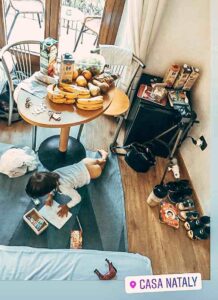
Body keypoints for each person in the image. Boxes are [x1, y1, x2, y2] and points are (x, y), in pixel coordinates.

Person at [25, 150, 108, 217]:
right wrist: (51, 196)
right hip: (84, 163)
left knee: (101, 167)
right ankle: (102, 158)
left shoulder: (64, 188)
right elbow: (51, 185)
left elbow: (78, 198)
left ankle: (104, 158)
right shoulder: (53, 174)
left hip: (91, 173)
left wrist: (67, 206)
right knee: (97, 161)